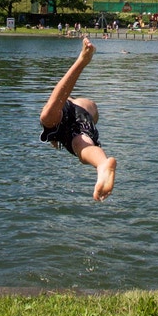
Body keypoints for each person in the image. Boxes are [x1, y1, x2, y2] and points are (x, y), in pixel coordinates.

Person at [40, 36, 117, 201]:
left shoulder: (65, 109)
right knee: (81, 144)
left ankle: (82, 61)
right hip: (85, 111)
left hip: (70, 112)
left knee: (49, 117)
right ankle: (102, 165)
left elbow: (59, 101)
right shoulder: (82, 105)